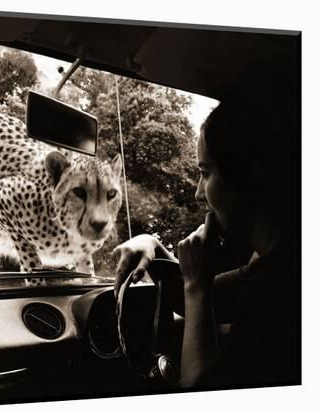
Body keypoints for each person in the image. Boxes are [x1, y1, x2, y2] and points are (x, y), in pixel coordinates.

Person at [113, 67, 299, 389]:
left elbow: (203, 392)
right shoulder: (273, 261)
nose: (200, 193)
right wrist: (153, 246)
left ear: (250, 174)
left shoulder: (276, 289)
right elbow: (200, 294)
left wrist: (197, 286)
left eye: (206, 172)